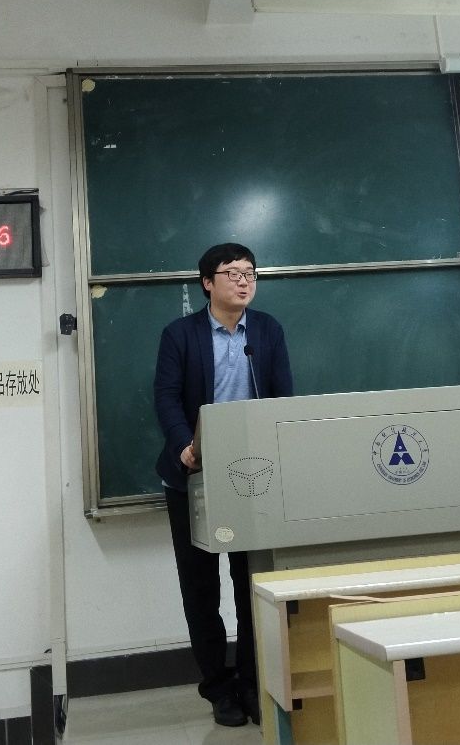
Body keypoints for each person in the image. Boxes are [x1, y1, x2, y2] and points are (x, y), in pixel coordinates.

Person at [153, 242, 293, 727]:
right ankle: (218, 686)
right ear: (207, 283)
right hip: (193, 477)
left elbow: (282, 397)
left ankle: (253, 681)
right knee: (201, 588)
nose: (243, 280)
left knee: (251, 582)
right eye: (231, 272)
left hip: (252, 477)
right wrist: (183, 445)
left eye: (250, 272)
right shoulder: (180, 334)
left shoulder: (267, 330)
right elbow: (166, 398)